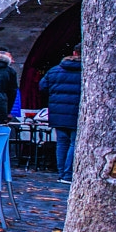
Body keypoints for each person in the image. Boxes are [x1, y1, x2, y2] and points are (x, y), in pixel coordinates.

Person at [41, 46, 83, 181]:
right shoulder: (87, 71)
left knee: (62, 143)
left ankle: (62, 173)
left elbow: (42, 87)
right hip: (76, 112)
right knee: (74, 143)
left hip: (58, 112)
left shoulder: (55, 70)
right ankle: (68, 174)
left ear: (74, 53)